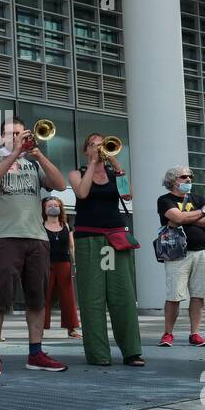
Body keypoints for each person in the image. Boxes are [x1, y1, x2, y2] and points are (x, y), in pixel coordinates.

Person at [0, 117, 70, 375]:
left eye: (20, 133)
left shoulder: (33, 164)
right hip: (5, 238)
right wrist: (15, 152)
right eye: (11, 133)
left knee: (37, 300)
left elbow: (60, 185)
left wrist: (38, 155)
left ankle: (36, 353)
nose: (17, 136)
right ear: (0, 138)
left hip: (37, 239)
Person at [70, 134, 143, 365]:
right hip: (88, 238)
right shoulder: (78, 173)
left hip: (115, 238)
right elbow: (82, 193)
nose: (99, 147)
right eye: (93, 144)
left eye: (102, 144)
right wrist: (93, 163)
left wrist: (114, 161)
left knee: (123, 295)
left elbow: (127, 195)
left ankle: (132, 351)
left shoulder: (114, 174)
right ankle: (99, 354)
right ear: (86, 149)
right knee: (92, 298)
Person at [157, 165, 205, 347]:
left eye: (190, 176)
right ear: (173, 181)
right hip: (177, 253)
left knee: (198, 295)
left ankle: (195, 333)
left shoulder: (198, 198)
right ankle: (168, 333)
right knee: (174, 295)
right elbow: (178, 218)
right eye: (184, 177)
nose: (189, 180)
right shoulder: (164, 200)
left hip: (202, 252)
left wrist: (185, 216)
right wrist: (201, 213)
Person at [41, 196, 81, 339]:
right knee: (45, 296)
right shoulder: (40, 225)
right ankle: (40, 327)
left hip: (64, 264)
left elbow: (71, 246)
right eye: (49, 205)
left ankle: (71, 328)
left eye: (55, 205)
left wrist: (75, 263)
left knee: (67, 296)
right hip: (46, 265)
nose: (53, 207)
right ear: (44, 209)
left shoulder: (66, 225)